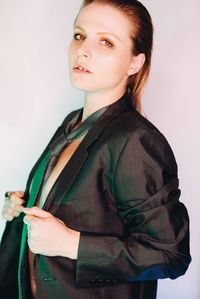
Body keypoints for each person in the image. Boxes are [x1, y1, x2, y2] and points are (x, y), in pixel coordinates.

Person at [0, 1, 191, 299]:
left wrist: (70, 243)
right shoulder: (72, 124)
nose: (83, 50)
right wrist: (26, 203)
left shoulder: (135, 139)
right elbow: (83, 206)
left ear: (134, 63)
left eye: (106, 42)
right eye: (79, 35)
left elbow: (170, 254)